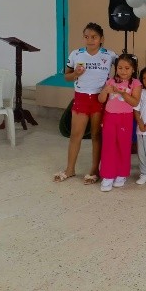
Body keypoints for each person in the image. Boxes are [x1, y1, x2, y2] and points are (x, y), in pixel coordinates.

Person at [53, 22, 117, 184]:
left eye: (94, 37)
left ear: (101, 39)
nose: (90, 40)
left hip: (99, 99)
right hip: (81, 98)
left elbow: (123, 71)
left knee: (96, 135)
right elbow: (66, 77)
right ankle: (70, 169)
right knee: (76, 135)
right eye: (87, 37)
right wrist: (76, 73)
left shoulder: (110, 55)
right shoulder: (76, 54)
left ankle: (94, 170)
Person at [98, 54, 142, 192]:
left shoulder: (136, 83)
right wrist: (105, 90)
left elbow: (135, 102)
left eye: (127, 68)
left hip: (125, 118)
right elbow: (101, 100)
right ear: (116, 68)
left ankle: (121, 174)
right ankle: (107, 175)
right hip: (109, 117)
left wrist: (123, 93)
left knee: (123, 145)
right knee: (108, 145)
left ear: (133, 69)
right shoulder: (111, 81)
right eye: (120, 68)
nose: (123, 71)